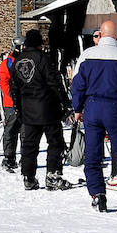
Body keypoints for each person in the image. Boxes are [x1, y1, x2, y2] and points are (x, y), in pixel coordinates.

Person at [71, 20, 117, 212]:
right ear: (116, 36)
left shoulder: (87, 55)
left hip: (93, 107)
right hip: (115, 108)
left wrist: (77, 108)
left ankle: (98, 195)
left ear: (100, 36)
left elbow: (77, 84)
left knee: (93, 155)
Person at [10, 30, 72, 191]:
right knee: (55, 142)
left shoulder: (17, 61)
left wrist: (18, 108)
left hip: (28, 109)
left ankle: (28, 177)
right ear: (39, 43)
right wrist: (65, 102)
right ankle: (53, 175)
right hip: (47, 107)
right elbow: (54, 83)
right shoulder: (43, 58)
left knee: (29, 145)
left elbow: (14, 88)